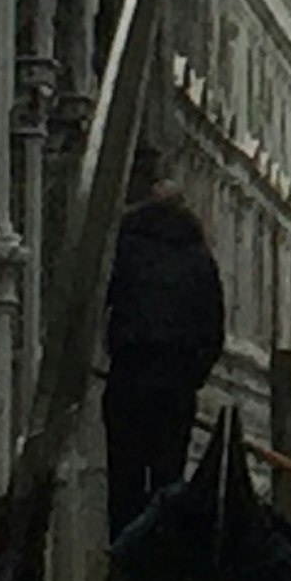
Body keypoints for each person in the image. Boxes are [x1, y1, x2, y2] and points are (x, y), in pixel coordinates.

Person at [102, 172, 226, 537]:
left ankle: (123, 555)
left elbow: (105, 297)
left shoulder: (125, 244)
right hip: (176, 383)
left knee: (124, 475)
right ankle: (159, 554)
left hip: (129, 372)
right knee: (167, 476)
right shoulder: (199, 258)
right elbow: (213, 327)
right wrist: (192, 375)